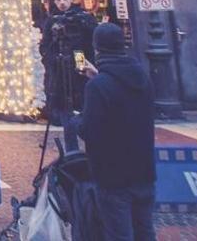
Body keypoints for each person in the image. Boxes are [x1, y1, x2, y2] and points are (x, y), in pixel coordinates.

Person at [69, 23, 156, 241]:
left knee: (118, 233)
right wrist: (97, 76)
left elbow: (88, 130)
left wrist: (76, 119)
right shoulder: (142, 77)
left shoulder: (97, 87)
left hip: (113, 174)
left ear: (97, 48)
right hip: (144, 169)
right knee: (145, 230)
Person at [39, 0, 97, 124]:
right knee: (59, 88)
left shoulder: (81, 17)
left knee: (80, 83)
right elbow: (46, 44)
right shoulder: (52, 20)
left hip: (78, 54)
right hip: (59, 58)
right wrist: (51, 58)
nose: (61, 3)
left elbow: (89, 42)